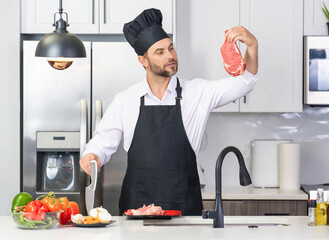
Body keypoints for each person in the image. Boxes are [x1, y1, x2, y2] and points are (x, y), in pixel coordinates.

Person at [80, 8, 258, 216]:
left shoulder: (198, 93)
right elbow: (101, 143)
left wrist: (252, 46)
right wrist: (91, 155)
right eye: (160, 52)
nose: (170, 56)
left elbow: (245, 82)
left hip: (185, 215)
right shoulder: (125, 101)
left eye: (171, 48)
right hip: (137, 214)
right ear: (143, 61)